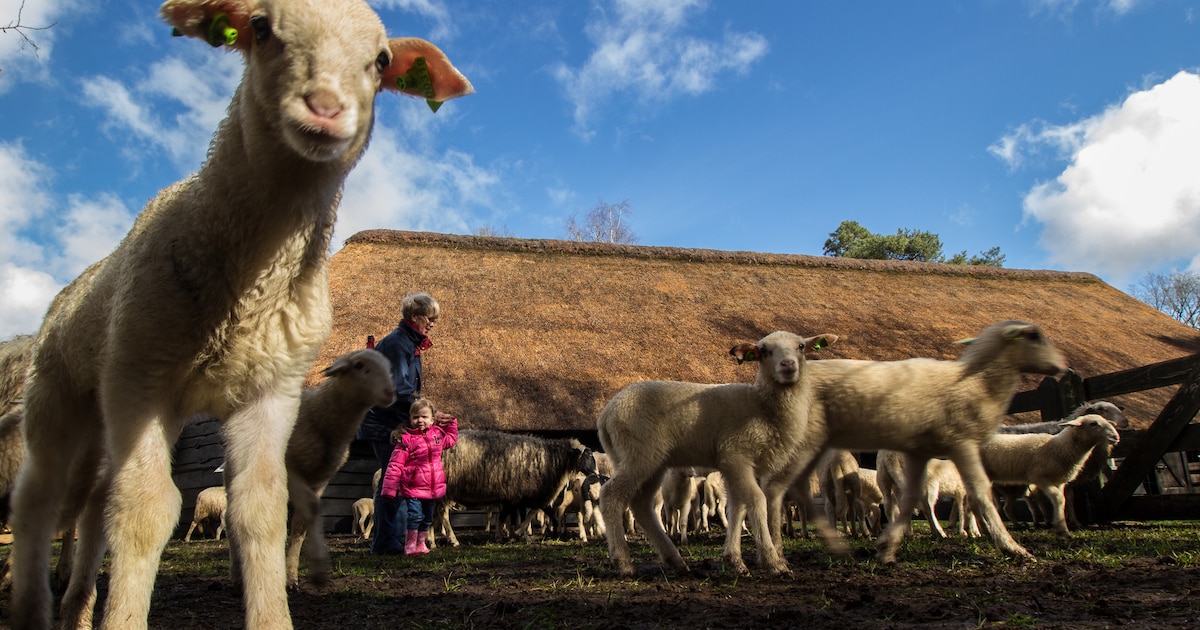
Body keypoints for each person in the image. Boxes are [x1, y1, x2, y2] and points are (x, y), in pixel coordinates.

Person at [358, 292, 441, 554]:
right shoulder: (398, 344)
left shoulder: (408, 344)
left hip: (393, 423)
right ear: (415, 317)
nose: (432, 324)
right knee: (393, 484)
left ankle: (392, 542)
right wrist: (427, 414)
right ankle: (387, 544)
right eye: (430, 318)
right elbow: (398, 389)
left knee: (395, 483)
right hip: (387, 425)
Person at [380, 398, 458, 555]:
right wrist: (389, 489)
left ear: (432, 419)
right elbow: (395, 465)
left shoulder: (436, 436)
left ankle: (421, 543)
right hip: (412, 487)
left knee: (428, 517)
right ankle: (410, 544)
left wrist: (452, 422)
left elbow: (451, 439)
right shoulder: (406, 440)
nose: (420, 420)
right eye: (416, 417)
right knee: (415, 516)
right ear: (410, 419)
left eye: (424, 417)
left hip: (431, 488)